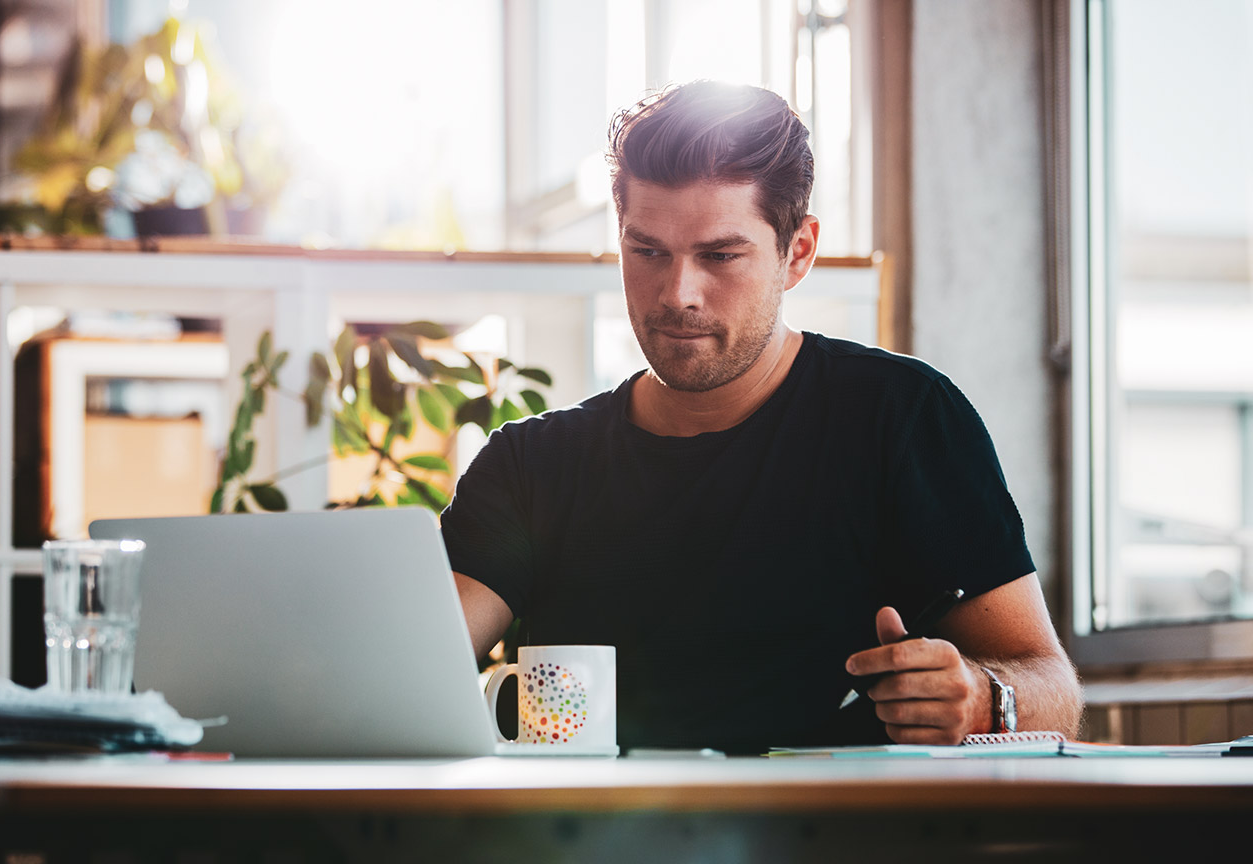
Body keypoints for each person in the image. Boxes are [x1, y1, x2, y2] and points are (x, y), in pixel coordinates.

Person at [440, 80, 1083, 754]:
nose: (677, 294)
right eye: (647, 251)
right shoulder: (530, 466)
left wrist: (984, 698)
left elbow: (1053, 692)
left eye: (719, 256)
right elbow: (411, 673)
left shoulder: (902, 419)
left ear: (797, 252)